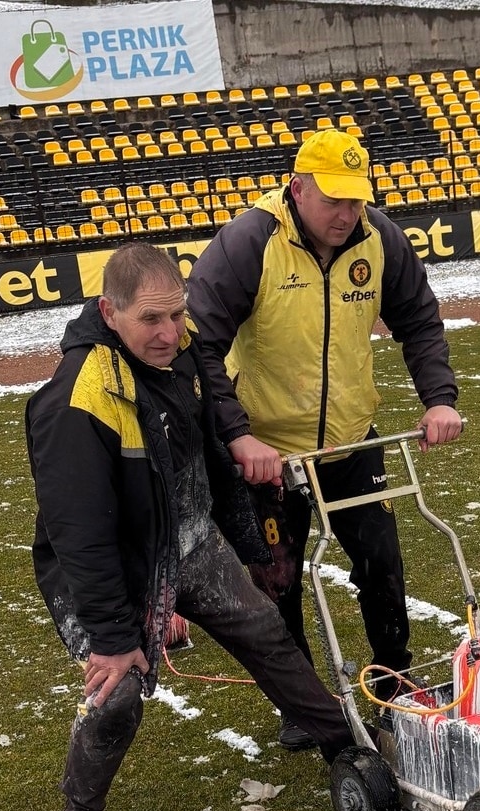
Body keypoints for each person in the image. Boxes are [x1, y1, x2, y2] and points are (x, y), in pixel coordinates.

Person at [25, 243, 355, 811]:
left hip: (189, 538)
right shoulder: (76, 398)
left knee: (266, 630)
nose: (169, 333)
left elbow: (212, 462)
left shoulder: (187, 353)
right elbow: (79, 534)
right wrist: (118, 638)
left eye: (176, 315)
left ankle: (345, 746)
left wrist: (256, 552)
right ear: (109, 312)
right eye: (151, 319)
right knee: (117, 696)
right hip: (114, 565)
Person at [187, 129, 463, 752]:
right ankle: (302, 702)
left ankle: (394, 682)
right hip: (267, 452)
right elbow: (198, 343)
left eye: (356, 200)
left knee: (382, 564)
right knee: (277, 580)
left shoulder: (380, 239)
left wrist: (439, 398)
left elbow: (418, 317)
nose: (346, 214)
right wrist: (236, 436)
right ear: (299, 187)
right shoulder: (248, 243)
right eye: (333, 200)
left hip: (349, 437)